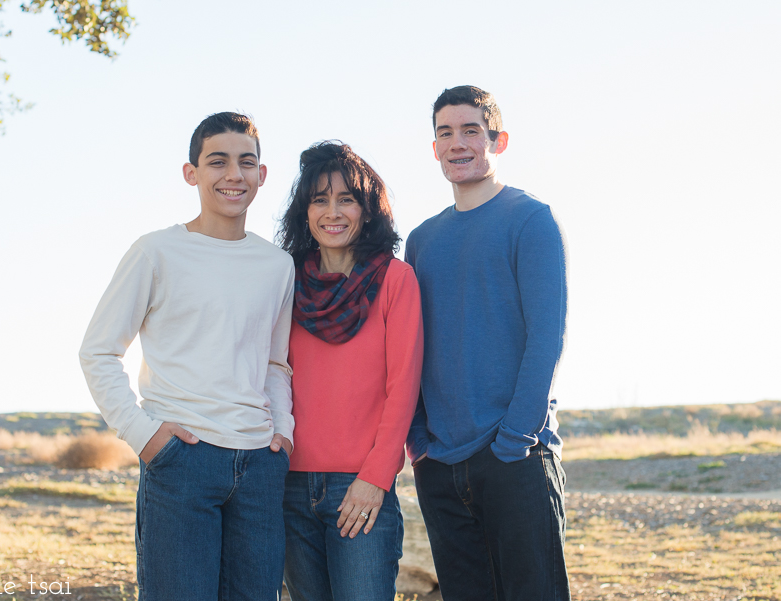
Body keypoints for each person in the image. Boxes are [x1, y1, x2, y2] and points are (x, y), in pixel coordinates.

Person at [79, 112, 295, 601]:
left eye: (246, 162)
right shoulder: (156, 252)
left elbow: (274, 363)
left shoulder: (277, 265)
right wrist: (145, 436)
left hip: (260, 465)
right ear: (191, 173)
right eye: (217, 162)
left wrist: (282, 430)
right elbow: (98, 351)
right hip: (183, 460)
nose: (233, 175)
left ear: (262, 174)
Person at [405, 86, 570, 600]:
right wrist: (419, 445)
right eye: (445, 133)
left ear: (497, 139)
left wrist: (515, 439)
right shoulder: (421, 240)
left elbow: (546, 337)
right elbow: (411, 346)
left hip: (516, 458)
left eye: (470, 130)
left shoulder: (530, 219)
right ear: (434, 148)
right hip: (441, 465)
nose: (457, 143)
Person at [277, 141, 423, 601]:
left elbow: (403, 387)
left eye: (346, 199)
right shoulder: (286, 280)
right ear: (305, 211)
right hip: (288, 486)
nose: (332, 212)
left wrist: (376, 477)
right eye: (319, 199)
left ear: (367, 209)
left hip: (360, 486)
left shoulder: (395, 279)